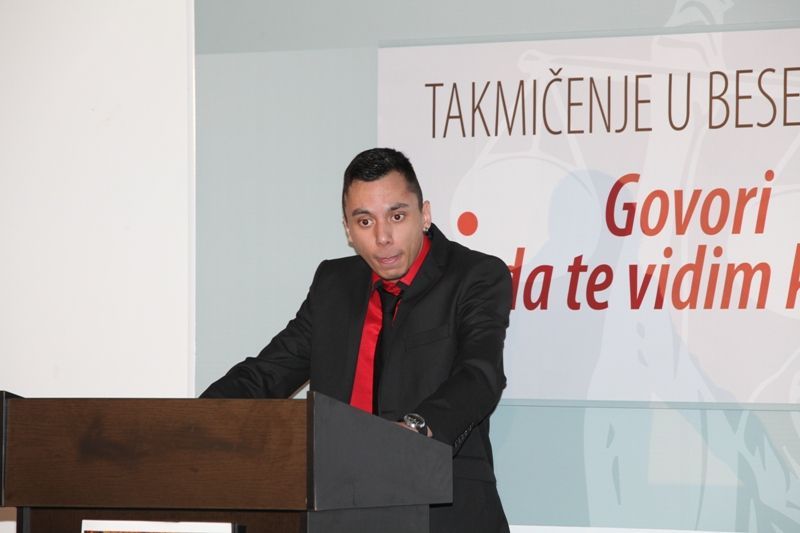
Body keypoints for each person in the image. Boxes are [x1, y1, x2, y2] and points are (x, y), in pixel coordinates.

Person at [202, 147, 511, 532]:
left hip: (442, 511)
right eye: (365, 221)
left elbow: (480, 375)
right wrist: (193, 421)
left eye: (397, 216)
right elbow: (269, 372)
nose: (383, 237)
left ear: (425, 215)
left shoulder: (475, 275)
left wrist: (415, 431)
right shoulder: (334, 284)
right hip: (337, 510)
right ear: (348, 230)